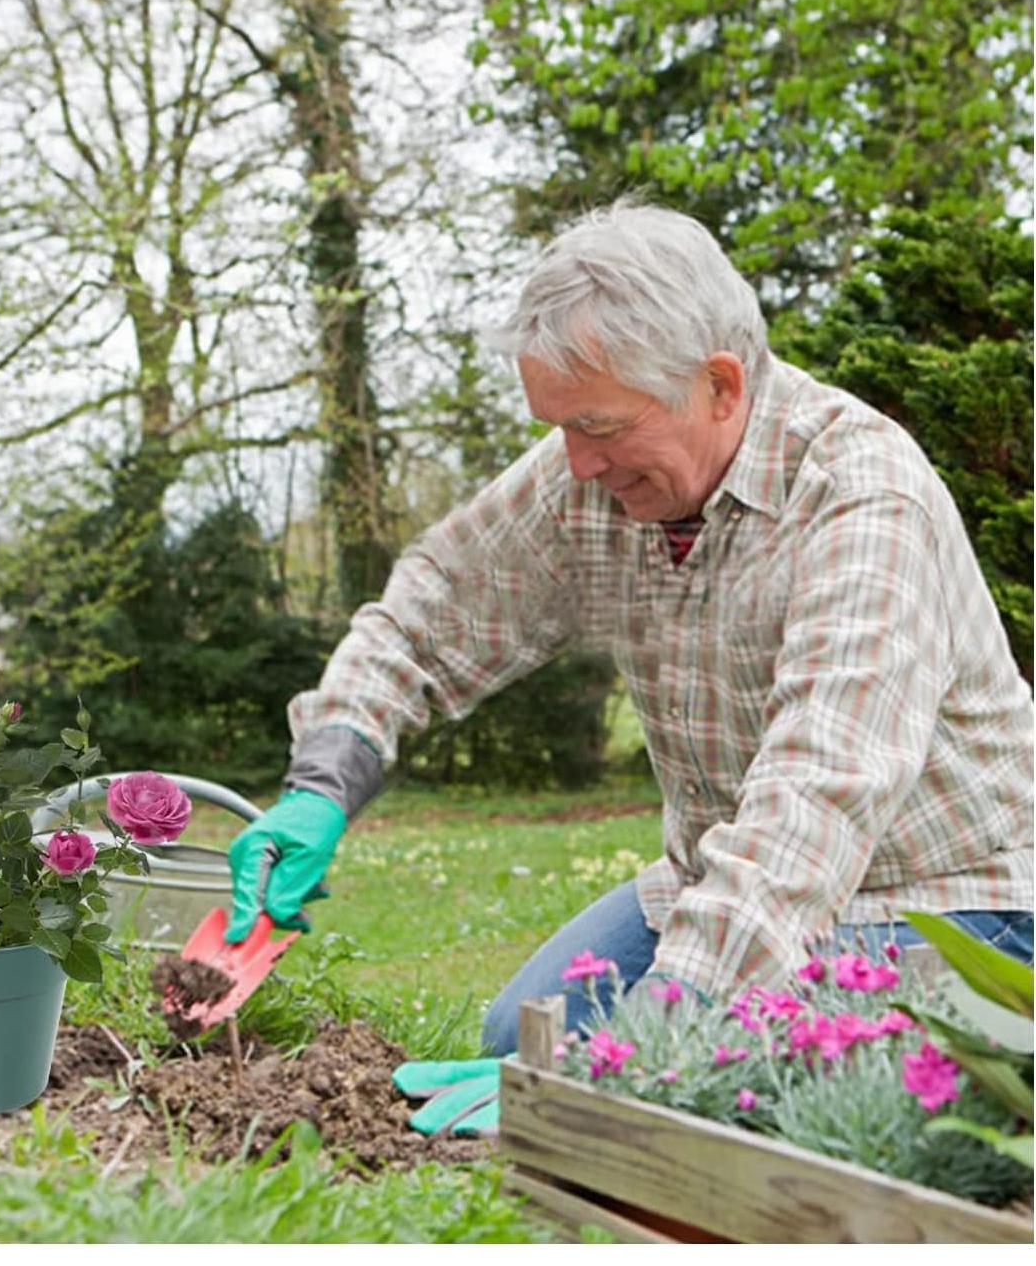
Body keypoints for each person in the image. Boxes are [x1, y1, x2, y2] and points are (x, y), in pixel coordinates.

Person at [225, 199, 1034, 1062]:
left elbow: (815, 799)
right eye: (562, 427)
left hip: (949, 901)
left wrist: (643, 1049)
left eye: (600, 426)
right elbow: (431, 614)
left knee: (718, 1087)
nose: (578, 463)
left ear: (720, 386)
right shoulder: (596, 477)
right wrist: (323, 782)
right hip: (718, 878)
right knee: (522, 1042)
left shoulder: (861, 498)